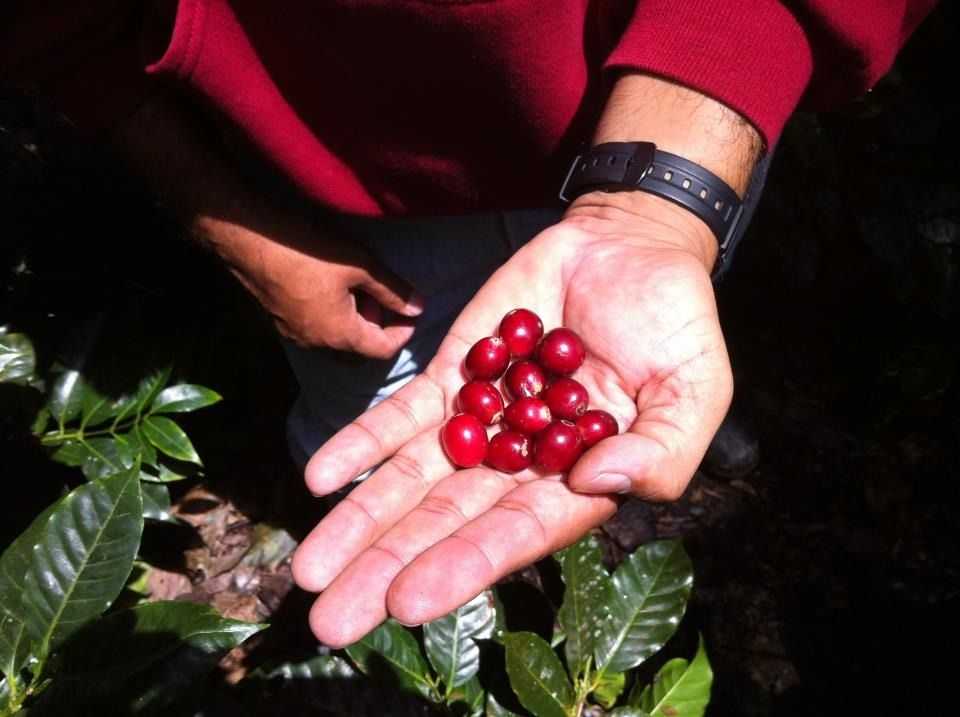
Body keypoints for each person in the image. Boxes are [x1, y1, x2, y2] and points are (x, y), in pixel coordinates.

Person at [3, 0, 936, 648]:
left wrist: (654, 215)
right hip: (321, 181)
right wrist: (236, 229)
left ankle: (664, 407)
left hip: (657, 114)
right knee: (367, 430)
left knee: (658, 334)